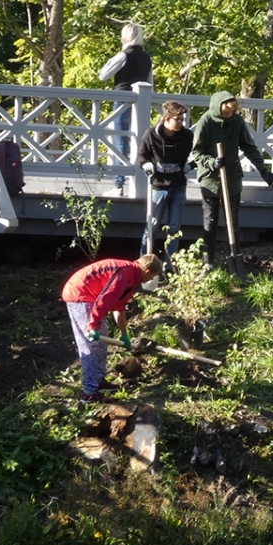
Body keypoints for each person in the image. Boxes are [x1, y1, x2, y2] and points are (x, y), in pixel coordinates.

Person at [190, 91, 273, 267]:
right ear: (218, 109)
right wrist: (211, 162)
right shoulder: (206, 122)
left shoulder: (236, 122)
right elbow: (197, 153)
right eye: (226, 113)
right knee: (211, 220)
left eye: (232, 112)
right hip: (210, 179)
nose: (229, 116)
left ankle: (235, 256)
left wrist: (263, 170)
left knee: (233, 219)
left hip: (232, 178)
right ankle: (209, 261)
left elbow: (249, 147)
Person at [62, 254, 162, 403]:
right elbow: (104, 300)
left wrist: (124, 335)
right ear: (147, 271)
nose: (152, 280)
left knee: (102, 339)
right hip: (80, 293)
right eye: (153, 276)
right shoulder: (124, 274)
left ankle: (98, 381)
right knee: (90, 346)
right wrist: (92, 325)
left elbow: (119, 308)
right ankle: (89, 393)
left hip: (90, 296)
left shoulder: (133, 279)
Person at [137, 100, 194, 273]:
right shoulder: (151, 135)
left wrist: (189, 166)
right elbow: (141, 157)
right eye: (178, 119)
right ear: (167, 118)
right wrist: (145, 165)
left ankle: (170, 267)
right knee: (152, 227)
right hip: (158, 186)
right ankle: (142, 266)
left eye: (182, 119)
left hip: (178, 186)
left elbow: (197, 155)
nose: (181, 123)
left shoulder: (187, 136)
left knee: (174, 228)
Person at [98, 23, 153, 195]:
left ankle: (118, 185)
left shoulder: (123, 55)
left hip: (122, 101)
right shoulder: (147, 58)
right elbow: (150, 84)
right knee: (137, 141)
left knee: (120, 141)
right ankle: (138, 182)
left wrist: (116, 56)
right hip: (141, 103)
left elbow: (103, 75)